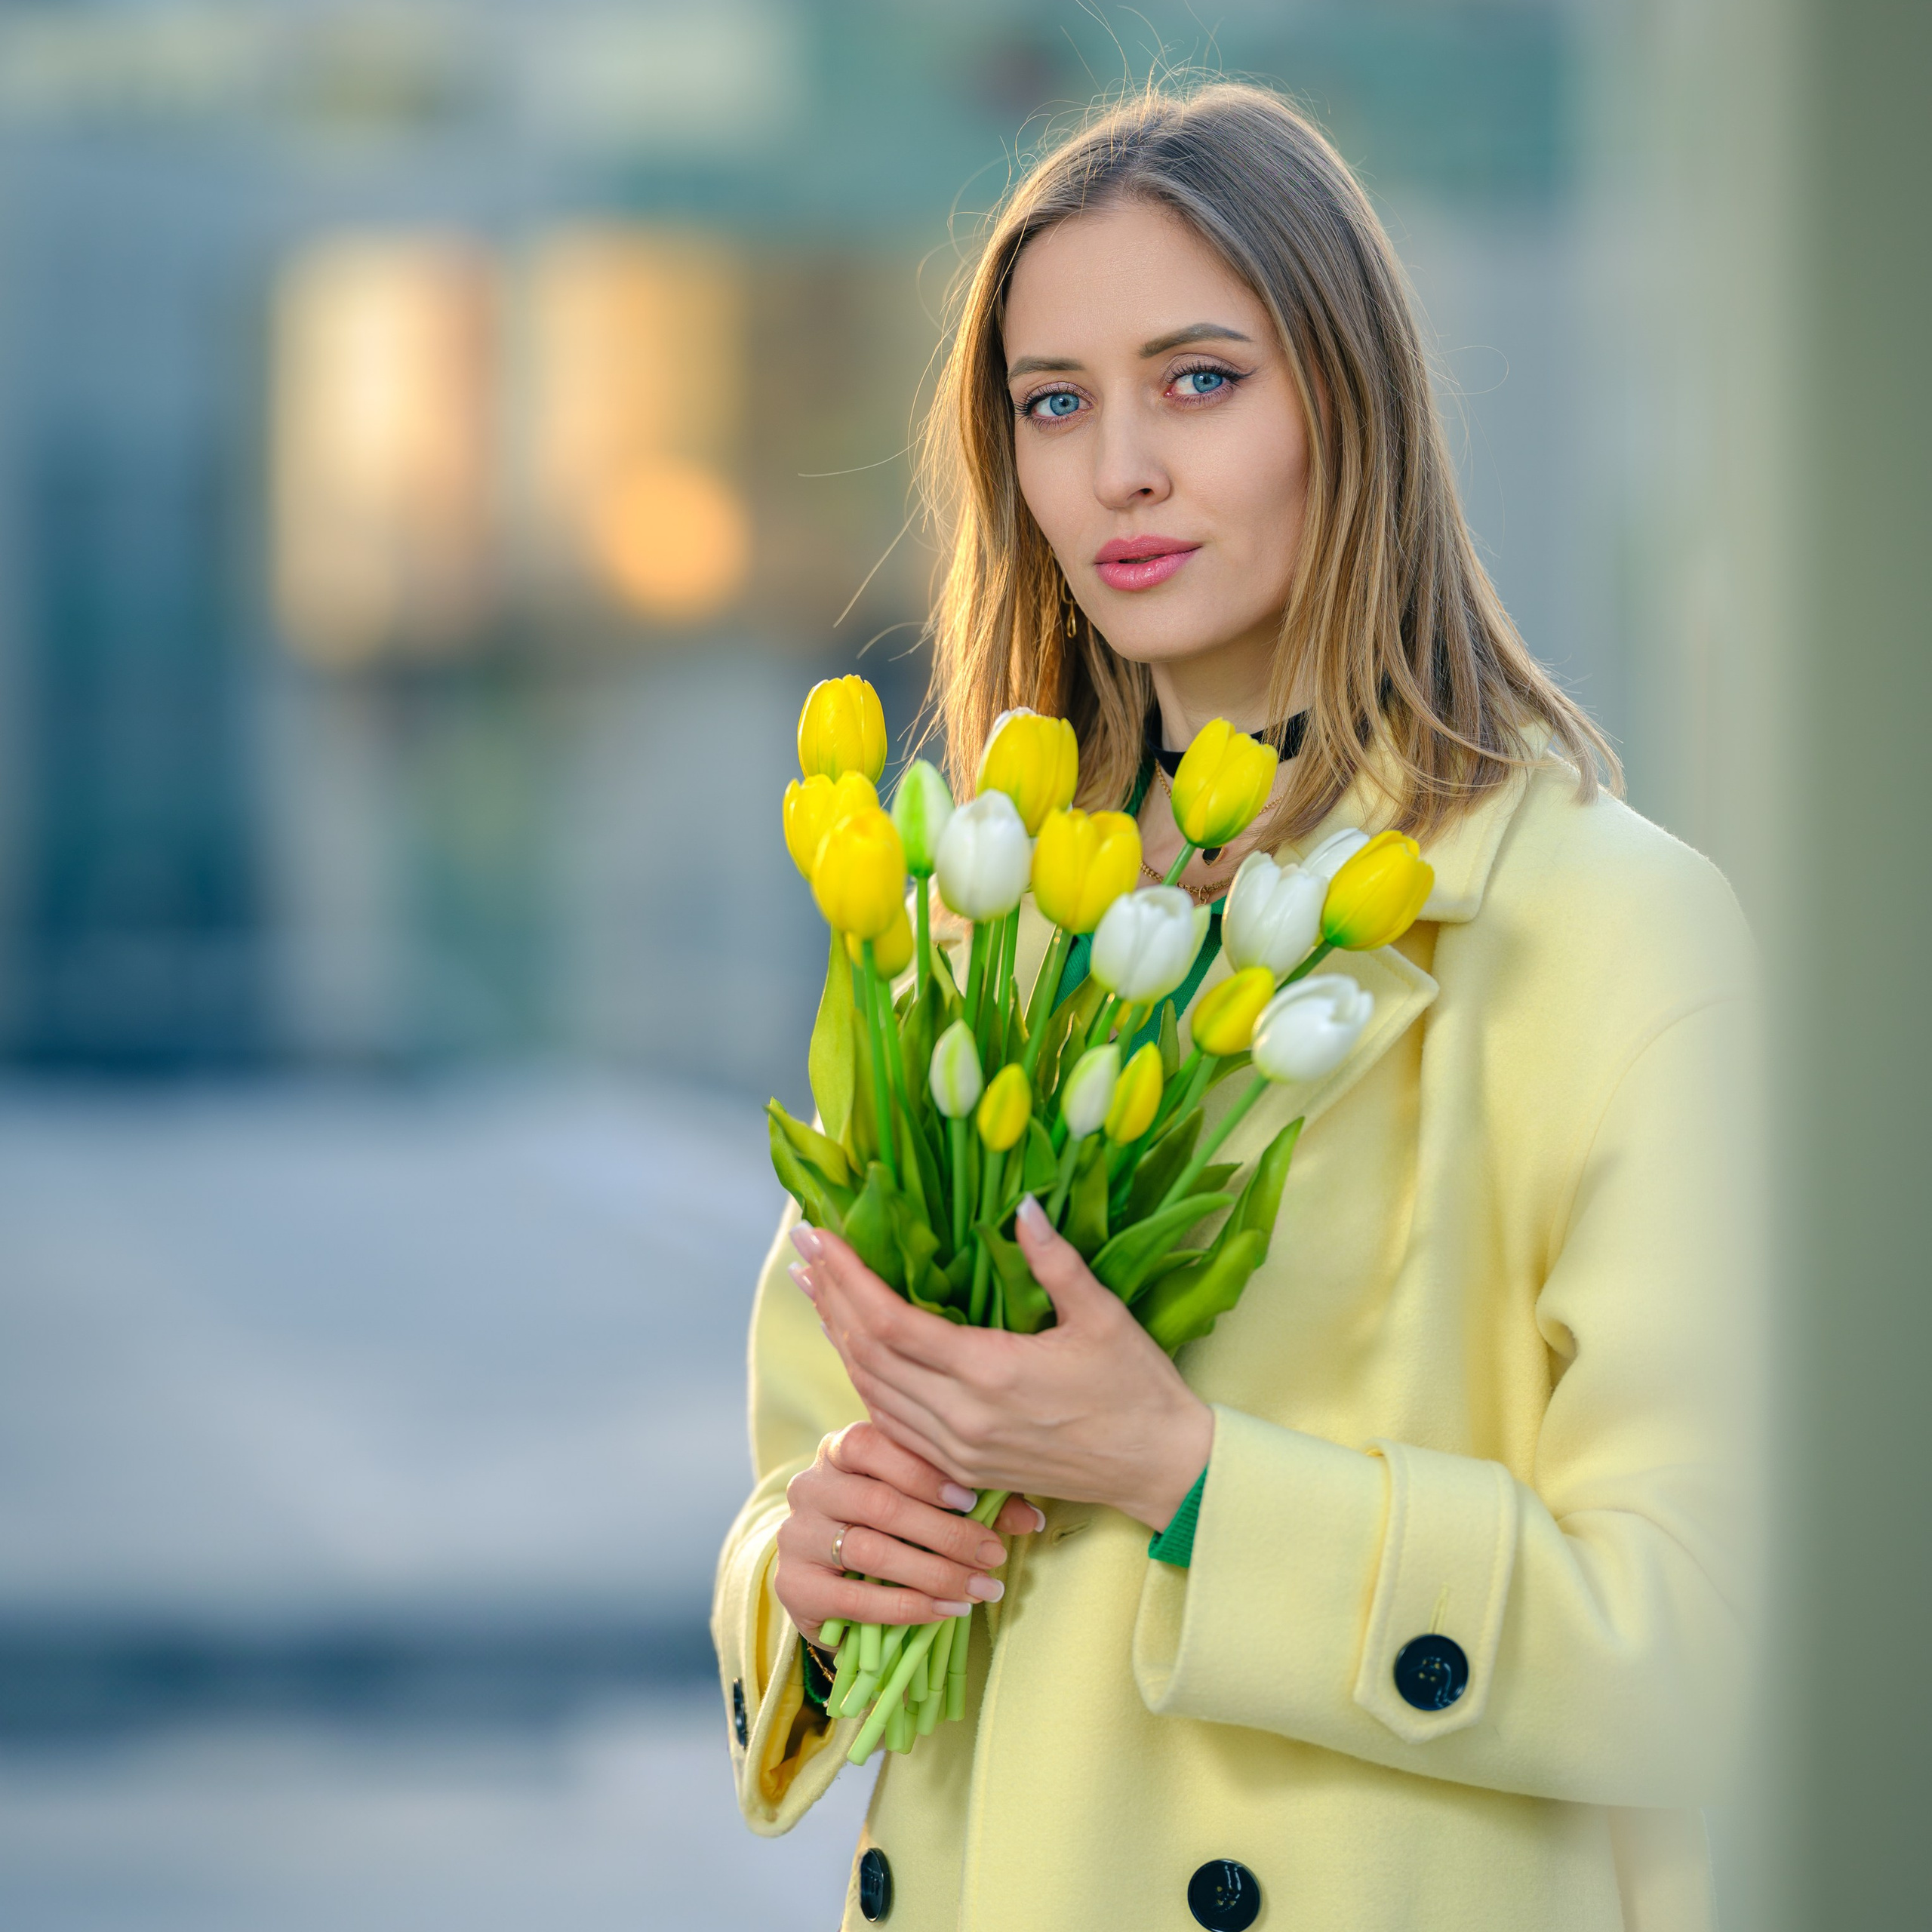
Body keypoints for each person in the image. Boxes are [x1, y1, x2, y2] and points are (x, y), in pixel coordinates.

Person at [713, 82, 1758, 1932]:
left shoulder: (1605, 934)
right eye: (1053, 401)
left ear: (1346, 409)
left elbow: (1704, 1643)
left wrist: (1176, 1471)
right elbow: (804, 1475)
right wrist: (809, 1565)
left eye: (1197, 379)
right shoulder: (976, 922)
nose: (1118, 464)